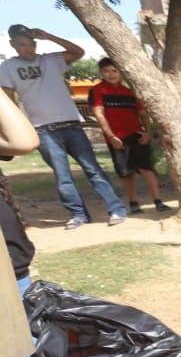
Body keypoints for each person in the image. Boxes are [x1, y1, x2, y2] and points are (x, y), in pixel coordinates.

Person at [1, 88, 72, 357]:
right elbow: (26, 140)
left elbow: (20, 139)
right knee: (13, 353)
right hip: (4, 268)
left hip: (11, 259)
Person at [1, 25, 125, 229]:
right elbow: (8, 101)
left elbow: (78, 52)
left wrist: (50, 35)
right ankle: (78, 215)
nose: (29, 48)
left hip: (71, 125)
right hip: (42, 129)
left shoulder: (51, 60)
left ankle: (116, 209)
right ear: (12, 44)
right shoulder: (7, 68)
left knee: (93, 169)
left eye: (31, 44)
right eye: (23, 44)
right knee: (62, 176)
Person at [87, 58, 166, 214]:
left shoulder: (130, 92)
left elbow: (142, 113)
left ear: (121, 72)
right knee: (126, 172)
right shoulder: (97, 91)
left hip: (136, 134)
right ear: (101, 73)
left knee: (146, 168)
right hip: (116, 138)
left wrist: (148, 131)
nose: (111, 74)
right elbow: (99, 114)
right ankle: (133, 203)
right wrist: (110, 136)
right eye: (106, 71)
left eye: (114, 70)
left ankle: (158, 202)